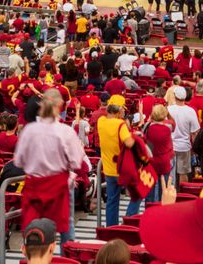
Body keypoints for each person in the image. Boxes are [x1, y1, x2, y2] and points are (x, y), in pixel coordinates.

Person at [13, 89, 86, 246]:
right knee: (66, 227)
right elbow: (76, 162)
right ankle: (66, 258)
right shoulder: (65, 132)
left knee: (33, 231)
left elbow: (18, 161)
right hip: (58, 186)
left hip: (34, 186)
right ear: (60, 105)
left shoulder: (29, 130)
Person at [97, 96, 141, 226]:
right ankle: (128, 221)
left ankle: (112, 228)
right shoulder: (120, 124)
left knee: (112, 200)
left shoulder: (101, 121)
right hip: (122, 169)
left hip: (108, 169)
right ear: (119, 110)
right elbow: (129, 143)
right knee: (137, 194)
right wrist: (136, 137)